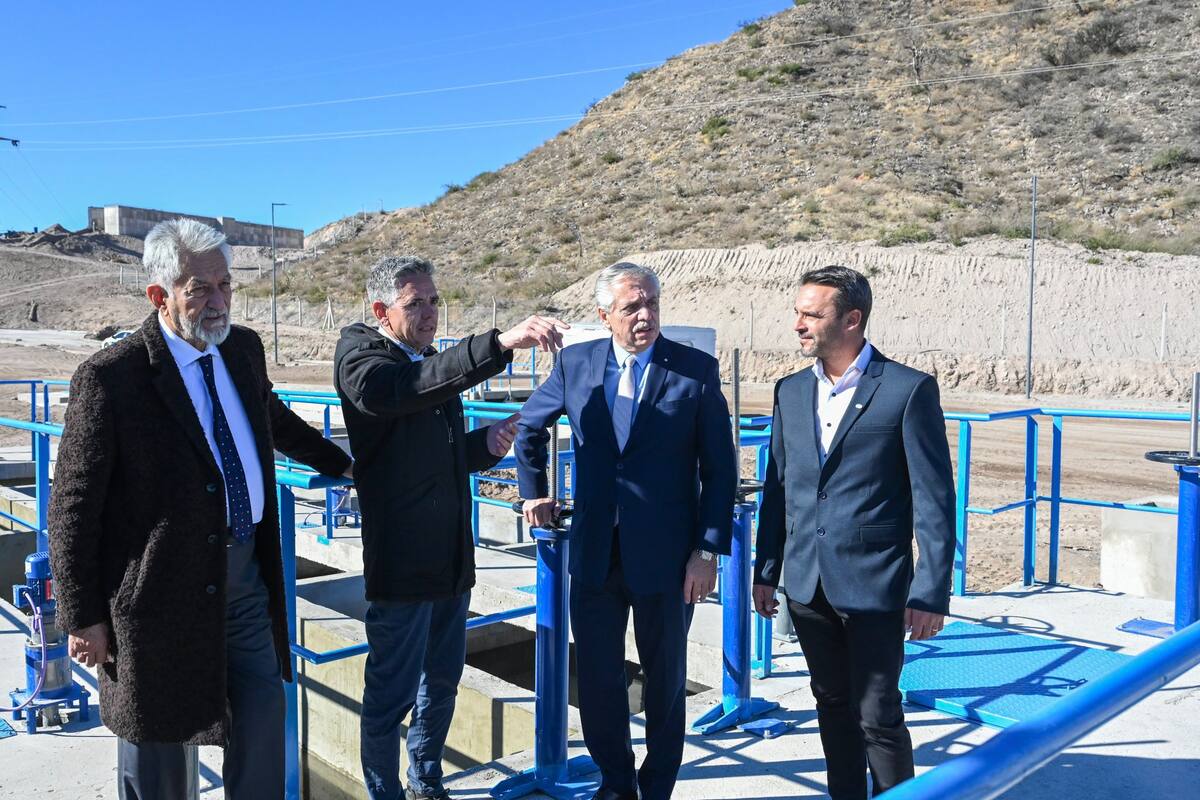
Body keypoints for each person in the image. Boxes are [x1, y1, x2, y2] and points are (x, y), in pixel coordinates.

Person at [49, 218, 353, 799]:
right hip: (156, 595)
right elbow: (73, 506)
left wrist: (340, 463)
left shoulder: (241, 349)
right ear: (159, 295)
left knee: (264, 723)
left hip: (242, 582)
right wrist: (81, 613)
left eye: (225, 285)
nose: (218, 302)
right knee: (159, 753)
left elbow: (271, 419)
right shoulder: (112, 378)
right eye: (200, 289)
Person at [334, 255, 567, 800]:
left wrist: (484, 444)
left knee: (441, 682)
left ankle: (425, 778)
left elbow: (434, 455)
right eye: (416, 304)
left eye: (435, 301)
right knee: (390, 692)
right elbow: (401, 390)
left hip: (451, 559)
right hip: (402, 563)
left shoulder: (425, 358)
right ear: (380, 311)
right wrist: (500, 344)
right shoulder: (363, 359)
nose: (431, 313)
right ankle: (383, 790)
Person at [515, 261, 737, 800]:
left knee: (664, 681)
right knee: (597, 678)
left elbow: (721, 468)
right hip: (593, 551)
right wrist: (533, 490)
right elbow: (529, 426)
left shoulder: (695, 370)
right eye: (632, 307)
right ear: (604, 315)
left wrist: (707, 551)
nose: (646, 315)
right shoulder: (575, 364)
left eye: (652, 303)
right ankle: (616, 784)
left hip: (668, 557)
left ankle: (657, 786)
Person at [751, 265, 956, 800]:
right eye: (797, 312)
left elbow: (935, 499)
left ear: (852, 320)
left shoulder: (908, 391)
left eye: (812, 314)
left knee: (878, 715)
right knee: (831, 707)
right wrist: (766, 569)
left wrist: (931, 591)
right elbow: (780, 486)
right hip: (807, 585)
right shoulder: (790, 391)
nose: (798, 324)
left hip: (875, 586)